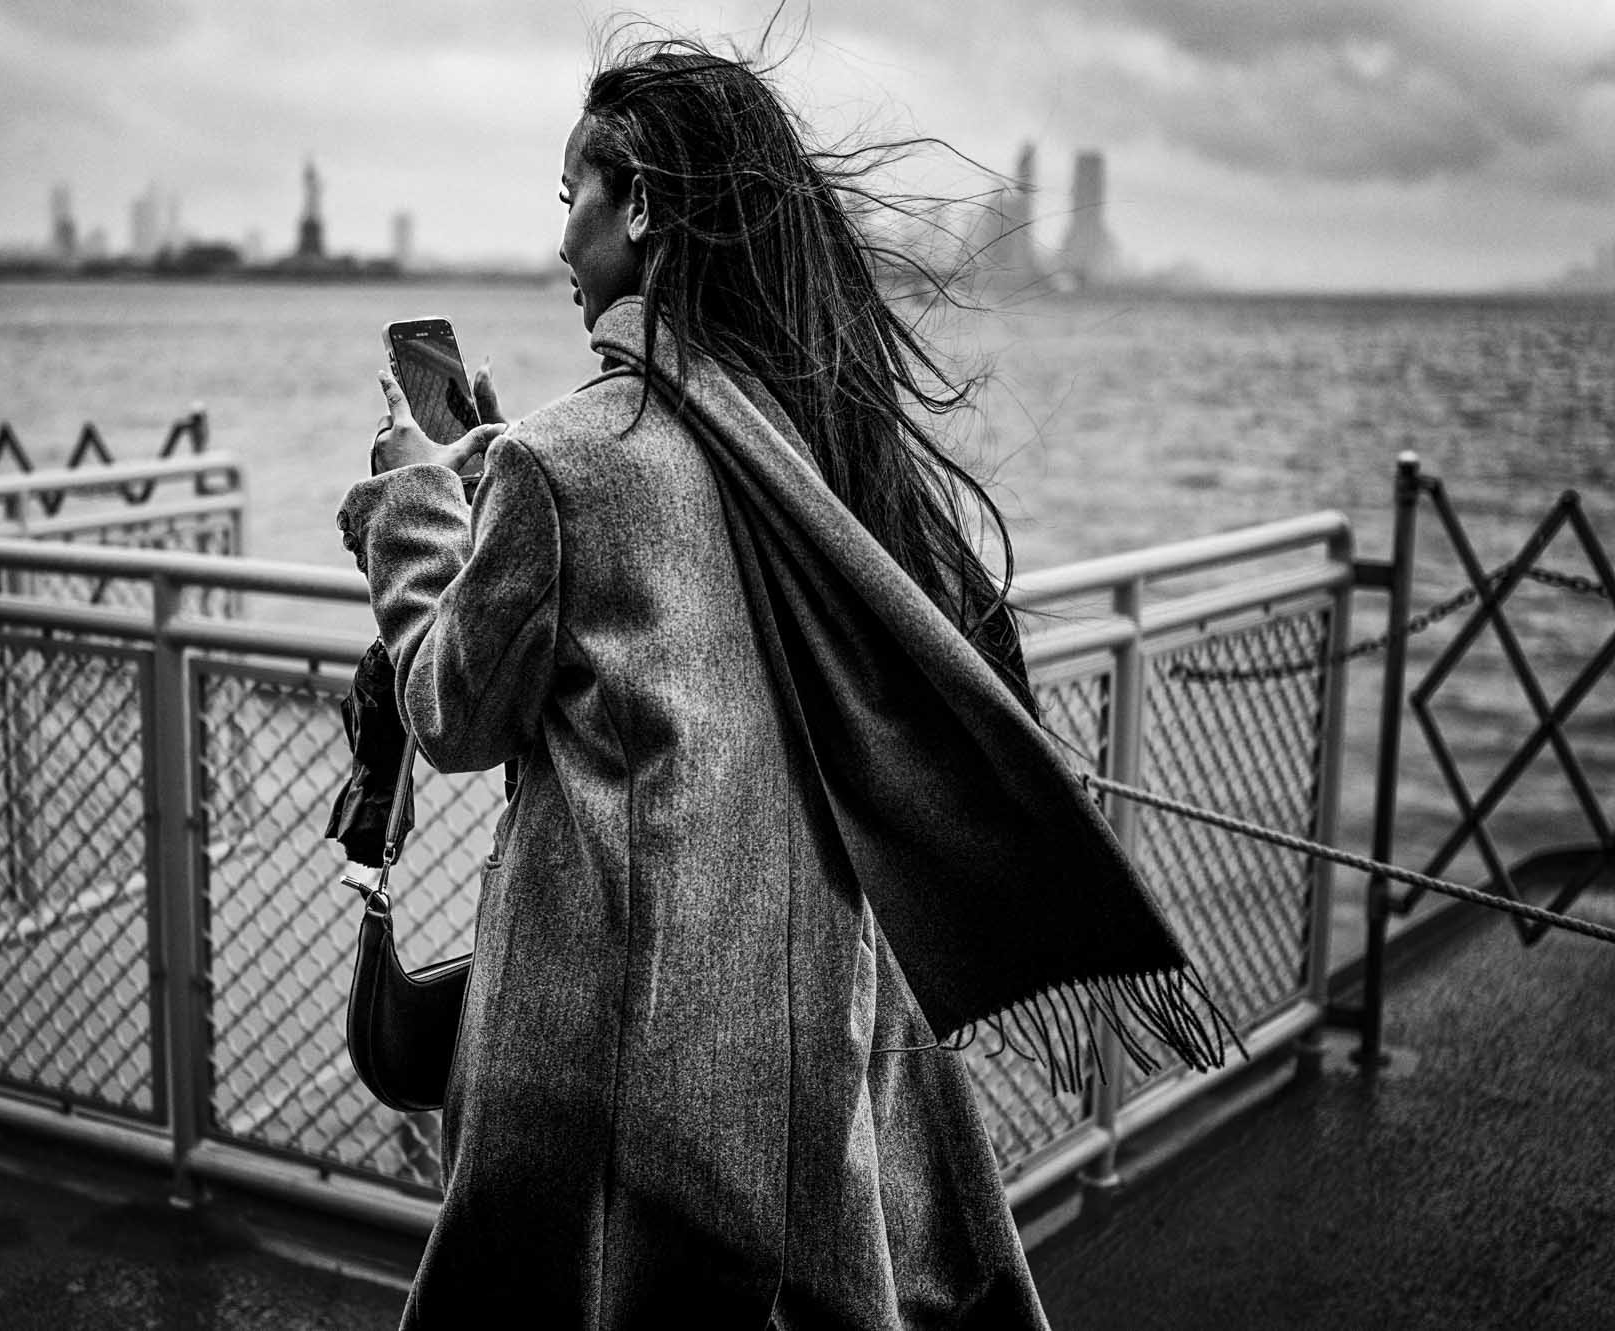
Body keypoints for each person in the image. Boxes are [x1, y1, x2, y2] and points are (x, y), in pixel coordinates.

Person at [337, 33, 1230, 1329]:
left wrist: (414, 499)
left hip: (602, 1059)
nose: (559, 242)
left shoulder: (562, 461)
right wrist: (493, 465)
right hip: (795, 1045)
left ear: (640, 207)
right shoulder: (793, 443)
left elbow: (451, 710)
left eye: (571, 200)